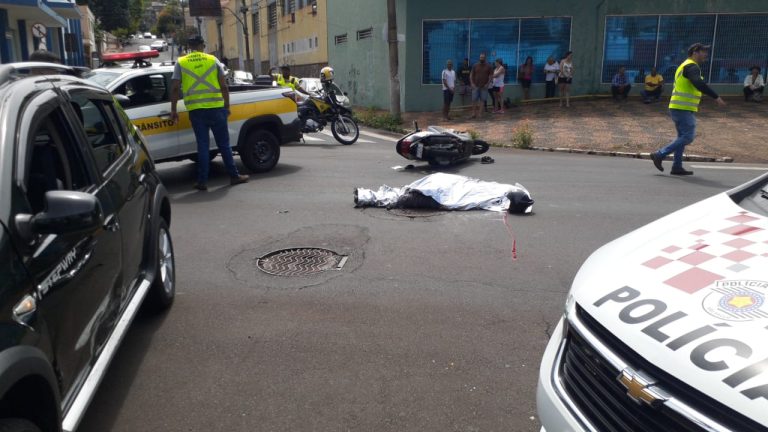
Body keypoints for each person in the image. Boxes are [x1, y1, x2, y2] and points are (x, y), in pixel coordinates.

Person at [170, 35, 249, 191]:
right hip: (217, 108)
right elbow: (224, 86)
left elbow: (175, 88)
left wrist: (173, 109)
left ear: (189, 46)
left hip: (196, 111)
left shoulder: (181, 62)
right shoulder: (213, 60)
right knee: (224, 145)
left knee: (203, 146)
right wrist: (227, 106)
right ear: (202, 45)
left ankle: (202, 181)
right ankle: (234, 176)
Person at [650, 43, 726, 176]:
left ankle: (677, 167)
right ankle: (660, 154)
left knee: (682, 137)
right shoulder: (691, 66)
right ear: (695, 52)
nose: (706, 54)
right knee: (688, 137)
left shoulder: (686, 65)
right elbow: (698, 83)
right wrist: (716, 97)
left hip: (680, 107)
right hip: (682, 108)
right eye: (703, 51)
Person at [469, 52, 493, 119]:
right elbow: (471, 75)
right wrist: (472, 83)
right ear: (479, 58)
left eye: (483, 57)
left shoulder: (489, 66)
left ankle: (480, 114)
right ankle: (473, 113)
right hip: (475, 86)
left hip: (484, 87)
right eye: (480, 57)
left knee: (482, 100)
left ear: (485, 58)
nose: (481, 58)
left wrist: (487, 84)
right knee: (474, 100)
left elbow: (491, 76)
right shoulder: (475, 65)